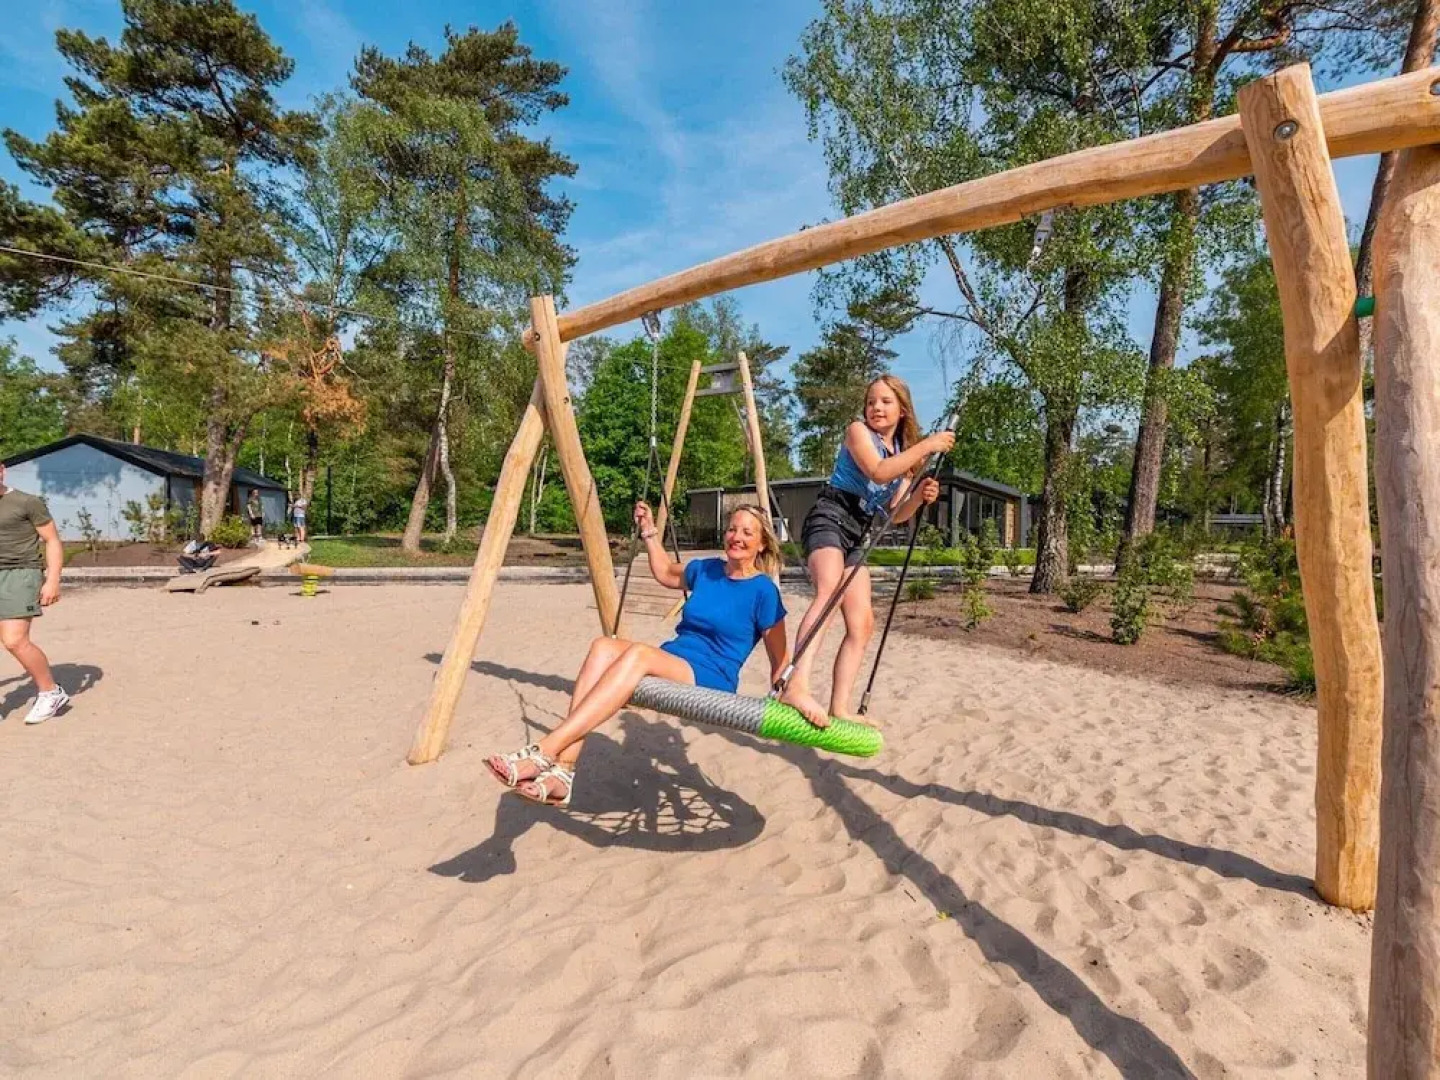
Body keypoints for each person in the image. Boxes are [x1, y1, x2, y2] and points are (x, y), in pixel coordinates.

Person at [487, 502, 790, 807]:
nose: (736, 537)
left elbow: (780, 657)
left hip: (713, 675)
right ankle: (563, 774)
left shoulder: (763, 591)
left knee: (639, 654)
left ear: (762, 543)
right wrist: (649, 531)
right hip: (674, 659)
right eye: (732, 529)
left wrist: (782, 693)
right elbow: (664, 572)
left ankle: (545, 751)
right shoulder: (706, 569)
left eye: (747, 533)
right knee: (603, 646)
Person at [780, 375, 951, 725]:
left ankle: (839, 707)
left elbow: (895, 514)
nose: (876, 407)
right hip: (830, 517)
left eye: (885, 401)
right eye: (872, 400)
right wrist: (927, 446)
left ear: (902, 409)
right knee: (828, 593)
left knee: (863, 623)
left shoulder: (902, 458)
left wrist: (918, 496)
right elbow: (877, 469)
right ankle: (794, 685)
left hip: (859, 531)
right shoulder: (858, 432)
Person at [0, 462, 69, 724]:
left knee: (14, 640)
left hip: (20, 573)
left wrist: (52, 580)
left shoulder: (26, 502)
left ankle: (50, 692)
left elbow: (52, 540)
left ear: (2, 470)